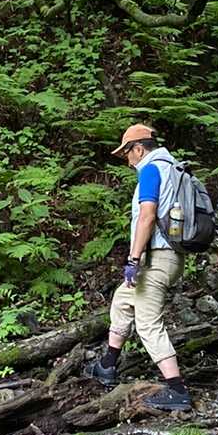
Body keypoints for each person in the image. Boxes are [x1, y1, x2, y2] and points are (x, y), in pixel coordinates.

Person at [85, 123, 192, 411]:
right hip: (169, 256)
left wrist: (133, 259)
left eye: (127, 153)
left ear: (139, 149)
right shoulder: (173, 169)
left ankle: (177, 390)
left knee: (147, 322)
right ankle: (107, 365)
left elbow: (147, 216)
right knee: (123, 300)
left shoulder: (150, 170)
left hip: (157, 259)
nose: (127, 160)